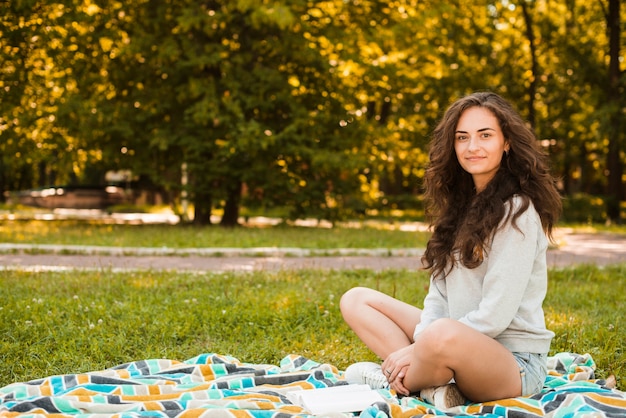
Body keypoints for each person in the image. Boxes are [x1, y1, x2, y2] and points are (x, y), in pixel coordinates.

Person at [340, 92, 562, 410]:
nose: (472, 147)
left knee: (441, 332)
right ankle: (429, 383)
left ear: (507, 142)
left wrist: (420, 348)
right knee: (357, 299)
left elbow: (495, 315)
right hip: (451, 339)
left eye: (485, 135)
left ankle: (393, 378)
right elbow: (438, 296)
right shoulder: (460, 206)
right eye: (462, 137)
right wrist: (423, 341)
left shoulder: (518, 211)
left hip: (513, 364)